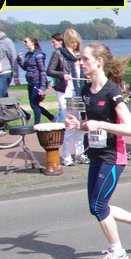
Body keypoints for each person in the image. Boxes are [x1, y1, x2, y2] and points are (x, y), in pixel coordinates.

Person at [63, 43, 131, 259]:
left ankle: (118, 252)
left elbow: (130, 129)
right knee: (96, 206)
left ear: (99, 61)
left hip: (113, 156)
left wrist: (101, 124)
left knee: (99, 206)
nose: (81, 63)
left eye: (85, 59)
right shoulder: (86, 91)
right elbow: (90, 124)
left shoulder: (112, 91)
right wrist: (78, 125)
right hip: (96, 154)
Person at [47, 29, 88, 166]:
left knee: (79, 123)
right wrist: (62, 75)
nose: (75, 44)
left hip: (79, 90)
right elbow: (49, 70)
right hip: (66, 91)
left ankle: (80, 153)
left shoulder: (79, 55)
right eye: (73, 42)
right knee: (70, 123)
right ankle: (65, 155)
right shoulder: (59, 53)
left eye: (77, 42)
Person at [17, 36, 54, 125]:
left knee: (34, 104)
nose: (24, 43)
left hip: (37, 81)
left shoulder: (38, 55)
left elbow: (42, 71)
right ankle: (52, 117)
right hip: (30, 82)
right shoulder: (28, 54)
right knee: (34, 104)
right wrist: (19, 60)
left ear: (32, 42)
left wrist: (42, 86)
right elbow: (25, 68)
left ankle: (37, 123)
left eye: (26, 41)